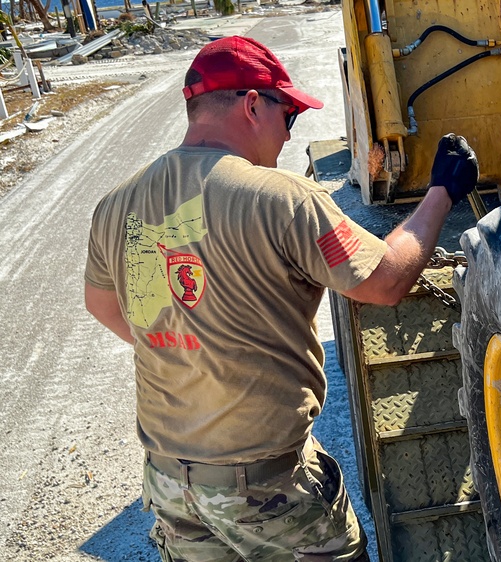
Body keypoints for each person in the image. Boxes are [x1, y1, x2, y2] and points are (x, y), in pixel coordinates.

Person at [84, 35, 478, 561]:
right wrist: (441, 193)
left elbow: (102, 304)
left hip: (172, 488)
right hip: (267, 490)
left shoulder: (116, 204)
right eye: (288, 115)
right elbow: (384, 281)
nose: (289, 135)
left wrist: (187, 340)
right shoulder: (282, 200)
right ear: (252, 104)